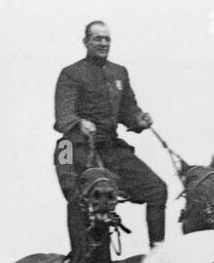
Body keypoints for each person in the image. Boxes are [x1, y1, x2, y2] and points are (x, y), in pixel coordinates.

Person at [53, 21, 167, 250]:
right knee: (76, 196)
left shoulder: (119, 72)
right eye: (98, 38)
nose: (103, 43)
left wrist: (138, 120)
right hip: (72, 148)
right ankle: (80, 256)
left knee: (158, 189)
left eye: (107, 39)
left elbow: (128, 110)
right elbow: (63, 114)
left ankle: (157, 251)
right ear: (86, 42)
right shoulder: (70, 73)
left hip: (112, 149)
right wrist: (78, 123)